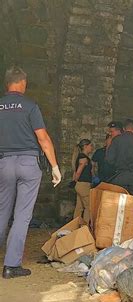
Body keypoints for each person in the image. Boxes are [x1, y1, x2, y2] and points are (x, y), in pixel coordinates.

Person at [0, 66, 61, 279]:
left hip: (4, 163)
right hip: (28, 163)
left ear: (7, 83)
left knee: (1, 211)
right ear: (22, 83)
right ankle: (11, 265)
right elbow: (43, 138)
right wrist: (54, 166)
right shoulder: (30, 105)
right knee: (22, 216)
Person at [106, 119, 133, 223]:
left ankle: (118, 226)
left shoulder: (116, 140)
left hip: (120, 176)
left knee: (118, 204)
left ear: (123, 129)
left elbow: (109, 159)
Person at [72, 139, 94, 225]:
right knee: (88, 207)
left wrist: (75, 182)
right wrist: (75, 180)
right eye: (90, 146)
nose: (92, 148)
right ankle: (85, 227)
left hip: (80, 184)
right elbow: (78, 171)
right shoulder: (84, 158)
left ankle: (74, 225)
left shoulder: (81, 157)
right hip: (83, 184)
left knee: (79, 207)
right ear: (85, 146)